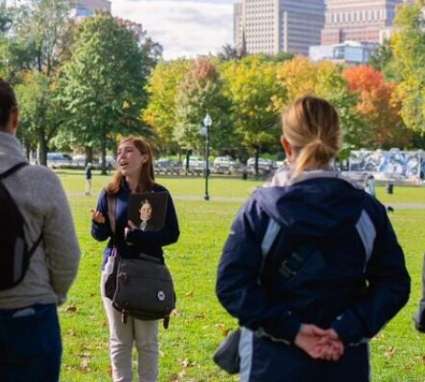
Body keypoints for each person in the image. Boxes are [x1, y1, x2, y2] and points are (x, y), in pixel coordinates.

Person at [216, 95, 410, 382]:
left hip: (270, 363)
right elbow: (393, 284)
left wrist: (291, 328)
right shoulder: (367, 212)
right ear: (337, 142)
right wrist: (345, 328)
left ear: (285, 144)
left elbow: (233, 285)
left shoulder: (259, 210)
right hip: (344, 362)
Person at [0, 68, 81, 380]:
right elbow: (67, 257)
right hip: (28, 319)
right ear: (15, 117)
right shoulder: (42, 180)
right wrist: (50, 295)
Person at [91, 136, 180, 382]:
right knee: (119, 340)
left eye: (129, 151)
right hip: (115, 271)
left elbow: (172, 234)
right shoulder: (110, 193)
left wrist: (139, 236)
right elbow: (101, 236)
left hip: (148, 272)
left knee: (147, 341)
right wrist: (97, 225)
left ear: (144, 157)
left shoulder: (158, 194)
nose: (122, 156)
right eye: (119, 152)